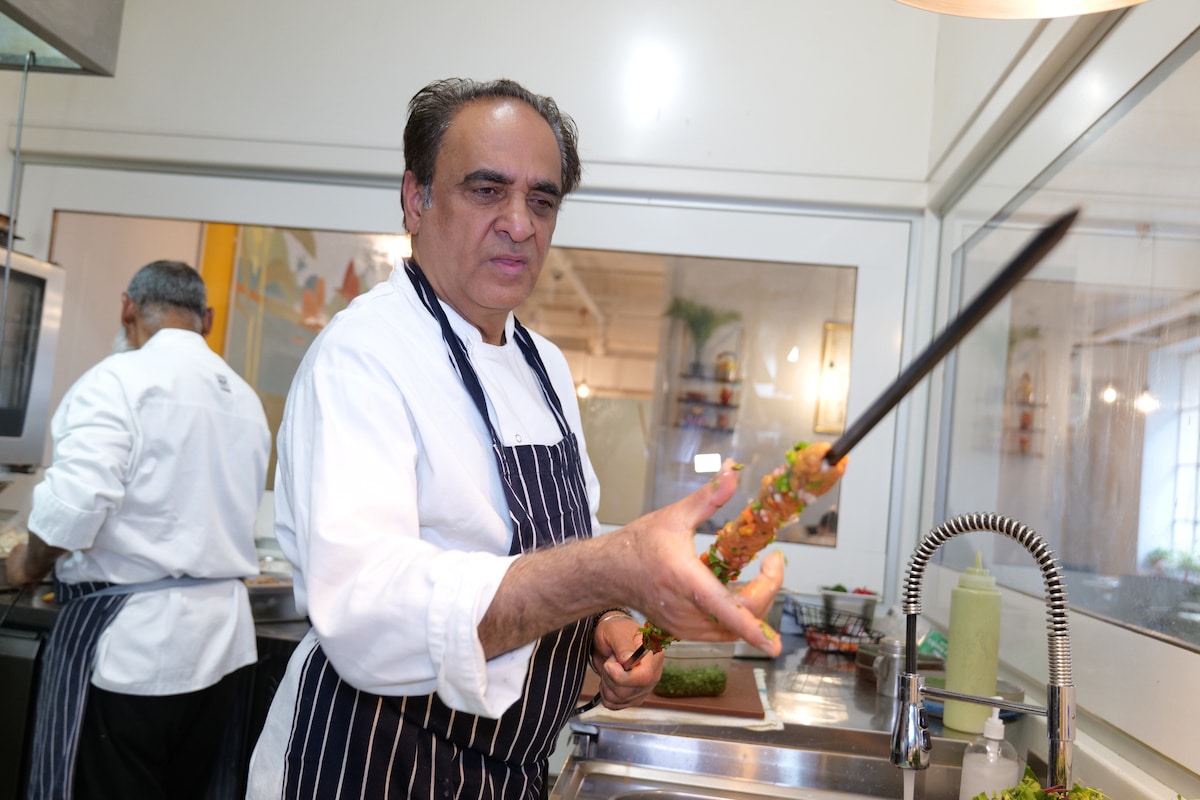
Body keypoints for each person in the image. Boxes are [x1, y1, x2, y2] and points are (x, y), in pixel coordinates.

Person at [246, 78, 784, 799]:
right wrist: (611, 570)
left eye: (541, 201)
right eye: (486, 190)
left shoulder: (546, 366)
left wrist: (604, 627)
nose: (519, 224)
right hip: (372, 763)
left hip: (509, 774)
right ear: (415, 198)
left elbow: (546, 551)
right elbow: (367, 615)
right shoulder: (364, 356)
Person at [5, 260, 272, 800]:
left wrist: (23, 565)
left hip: (132, 651)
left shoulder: (117, 381)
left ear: (128, 307)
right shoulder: (244, 398)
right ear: (207, 318)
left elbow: (74, 506)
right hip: (222, 648)